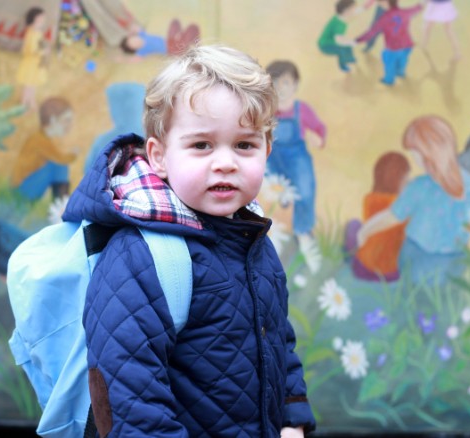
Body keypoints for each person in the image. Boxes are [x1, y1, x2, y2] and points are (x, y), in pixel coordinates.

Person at [62, 45, 315, 436]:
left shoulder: (253, 240)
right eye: (202, 145)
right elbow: (131, 391)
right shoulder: (142, 255)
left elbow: (278, 340)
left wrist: (291, 421)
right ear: (159, 156)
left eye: (244, 144)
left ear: (266, 150)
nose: (226, 162)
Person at [356, 115, 470, 284]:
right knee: (438, 300)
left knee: (419, 297)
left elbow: (393, 216)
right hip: (448, 258)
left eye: (415, 154)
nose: (415, 160)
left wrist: (365, 230)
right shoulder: (461, 183)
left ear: (429, 152)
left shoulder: (420, 186)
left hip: (422, 256)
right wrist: (463, 183)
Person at [265, 60, 327, 273]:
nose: (280, 88)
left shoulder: (302, 110)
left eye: (285, 82)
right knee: (269, 184)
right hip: (273, 157)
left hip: (297, 157)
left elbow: (319, 129)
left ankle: (303, 232)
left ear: (295, 84)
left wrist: (317, 138)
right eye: (275, 83)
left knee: (305, 190)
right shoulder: (267, 111)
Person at [345, 151, 410, 282]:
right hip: (391, 275)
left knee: (353, 225)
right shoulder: (403, 209)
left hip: (362, 268)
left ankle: (348, 256)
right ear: (399, 180)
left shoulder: (369, 199)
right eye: (406, 179)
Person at [11, 97, 78, 202]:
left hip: (24, 187)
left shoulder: (42, 138)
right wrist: (73, 155)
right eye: (66, 120)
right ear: (52, 120)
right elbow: (60, 159)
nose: (69, 126)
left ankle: (61, 206)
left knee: (58, 165)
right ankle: (61, 207)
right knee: (59, 165)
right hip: (21, 191)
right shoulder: (40, 140)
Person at [355, 0, 424, 86]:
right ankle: (400, 73)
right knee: (403, 60)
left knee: (389, 63)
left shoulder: (384, 18)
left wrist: (356, 40)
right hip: (407, 45)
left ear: (384, 3)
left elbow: (372, 32)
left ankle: (389, 80)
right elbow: (418, 8)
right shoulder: (405, 12)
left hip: (392, 48)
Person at [15, 6, 49, 111]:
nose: (43, 19)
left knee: (33, 84)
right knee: (28, 85)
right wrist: (43, 51)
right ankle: (23, 103)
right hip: (31, 63)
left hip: (35, 63)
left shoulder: (36, 31)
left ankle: (31, 101)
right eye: (41, 17)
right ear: (35, 18)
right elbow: (32, 49)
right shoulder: (32, 32)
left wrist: (44, 47)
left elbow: (39, 43)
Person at [317, 0, 361, 73]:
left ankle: (350, 58)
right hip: (325, 45)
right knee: (342, 50)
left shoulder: (340, 16)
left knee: (348, 45)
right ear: (346, 11)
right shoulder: (339, 25)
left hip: (332, 40)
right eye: (353, 8)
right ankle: (343, 66)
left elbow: (356, 12)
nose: (355, 10)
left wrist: (366, 6)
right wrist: (351, 42)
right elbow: (339, 41)